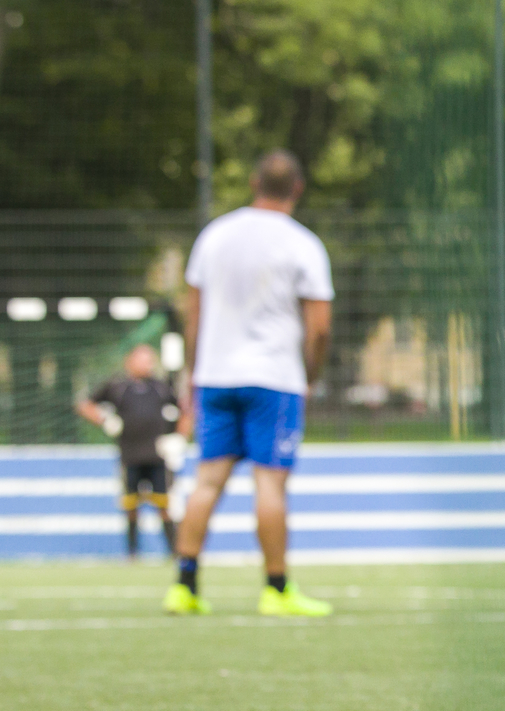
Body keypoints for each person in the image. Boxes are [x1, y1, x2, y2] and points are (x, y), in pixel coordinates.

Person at [164, 150, 333, 617]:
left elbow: (194, 315)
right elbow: (319, 328)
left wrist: (194, 376)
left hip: (215, 376)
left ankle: (184, 586)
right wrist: (310, 374)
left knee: (207, 482)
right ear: (297, 188)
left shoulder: (214, 235)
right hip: (273, 378)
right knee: (270, 485)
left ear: (255, 183)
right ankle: (276, 589)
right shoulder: (303, 244)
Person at [77, 342, 189, 559]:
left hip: (158, 457)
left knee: (164, 505)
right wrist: (104, 420)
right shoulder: (117, 386)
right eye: (143, 359)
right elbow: (85, 405)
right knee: (131, 506)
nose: (148, 364)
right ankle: (132, 553)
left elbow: (186, 411)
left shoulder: (161, 386)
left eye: (150, 360)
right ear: (130, 361)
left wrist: (179, 438)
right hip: (130, 457)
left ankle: (174, 552)